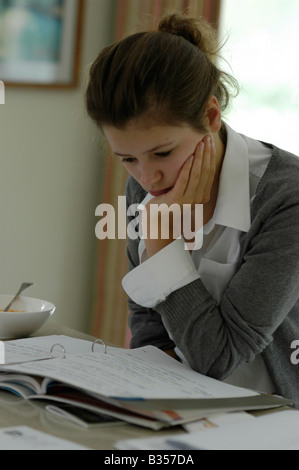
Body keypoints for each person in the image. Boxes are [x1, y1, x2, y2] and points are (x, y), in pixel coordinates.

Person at [86, 13, 299, 401]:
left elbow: (219, 358)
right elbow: (149, 328)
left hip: (276, 417)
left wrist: (164, 245)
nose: (148, 179)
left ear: (211, 115)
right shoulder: (147, 183)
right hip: (186, 410)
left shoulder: (287, 198)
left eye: (163, 152)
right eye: (127, 159)